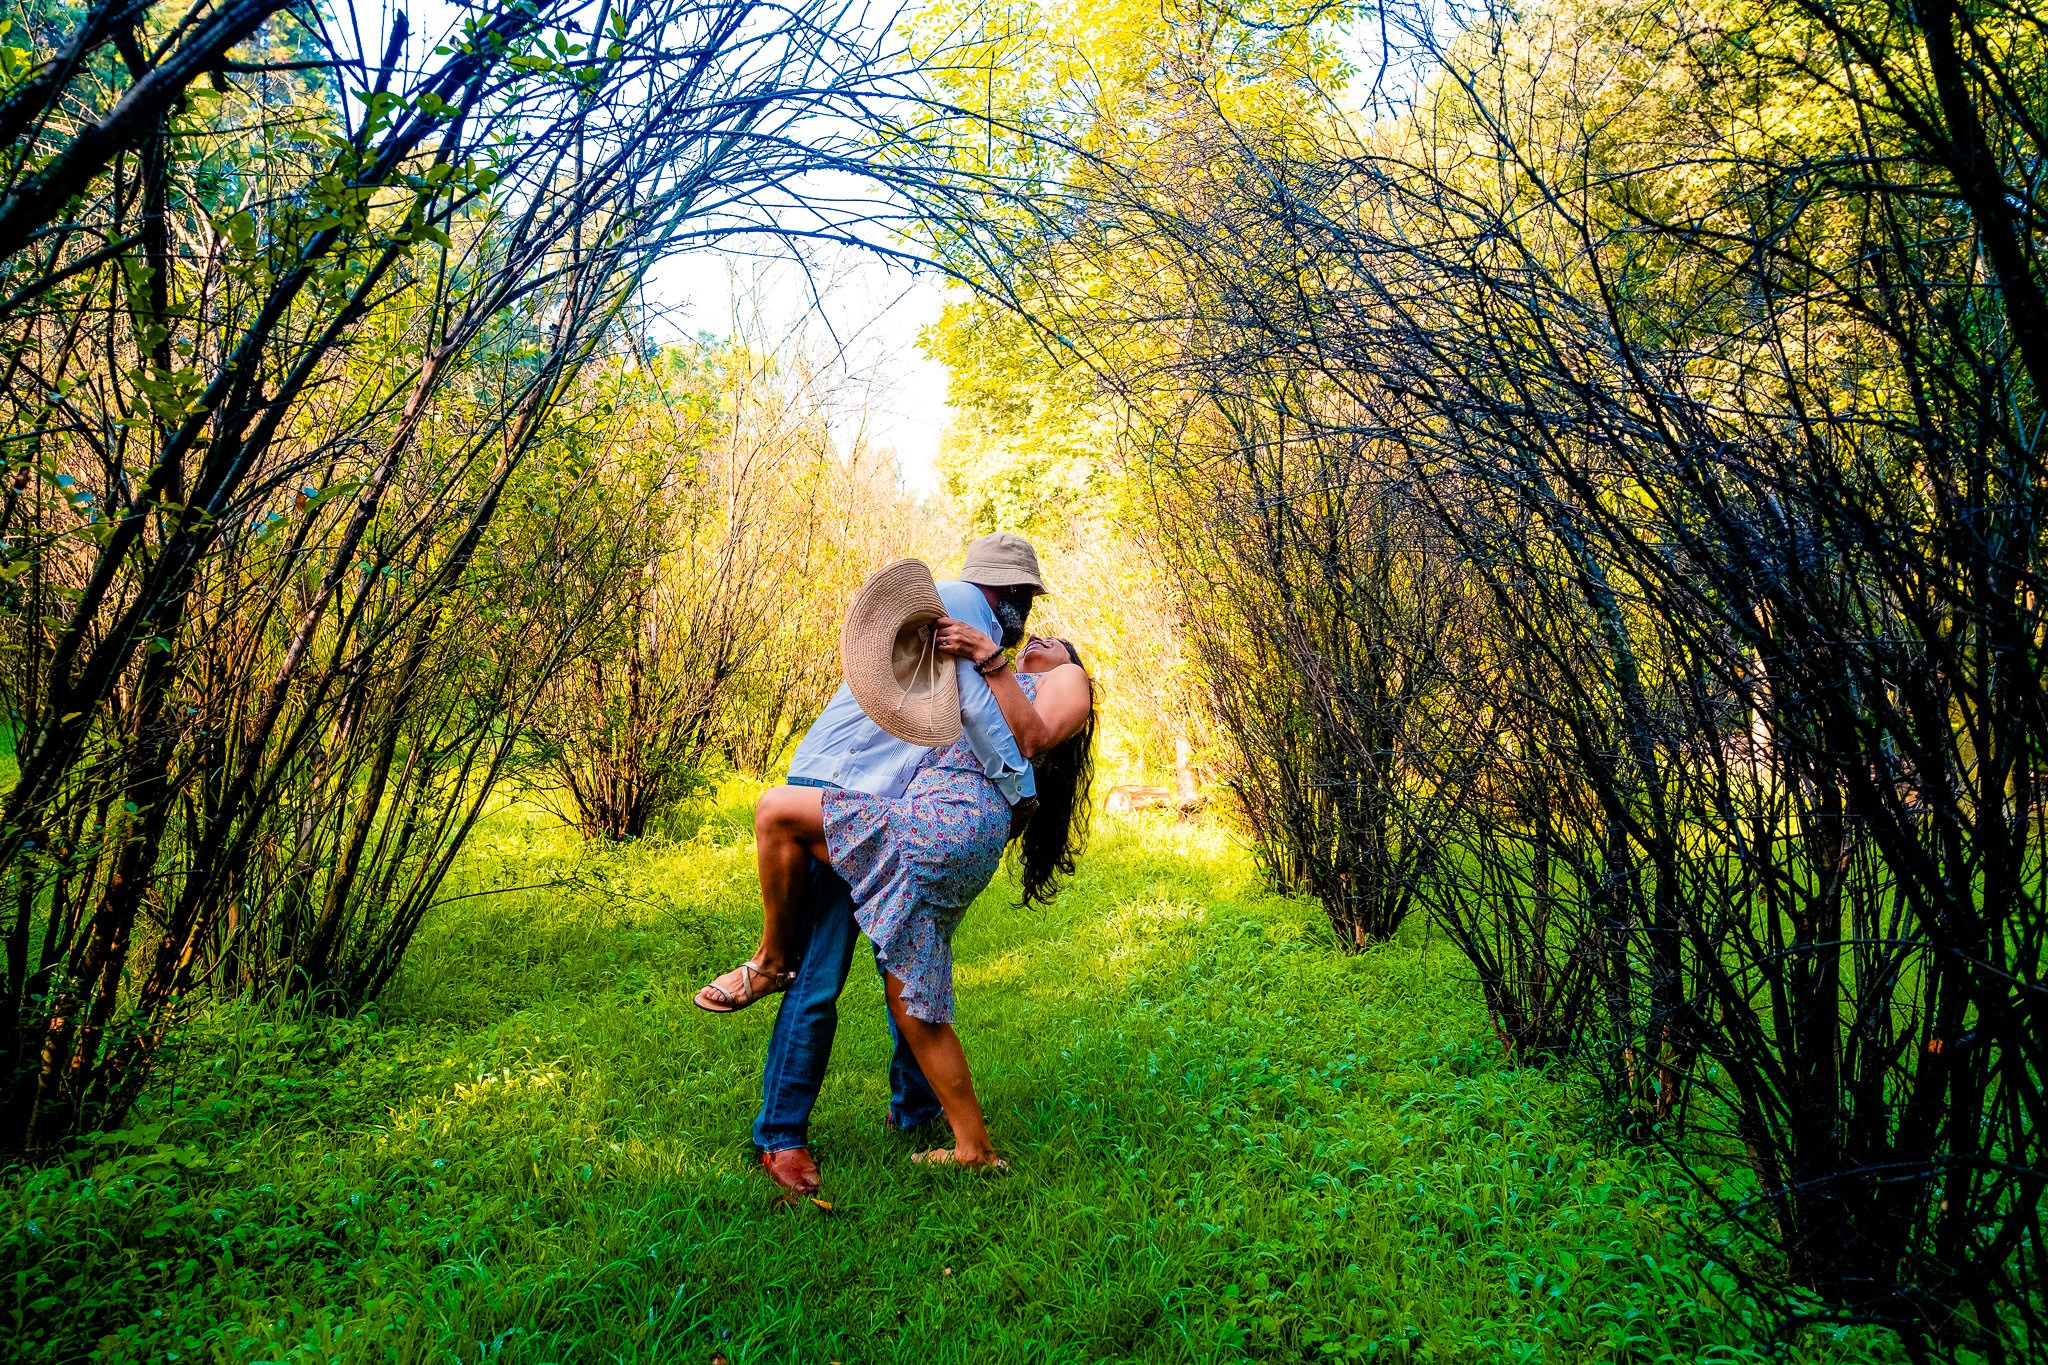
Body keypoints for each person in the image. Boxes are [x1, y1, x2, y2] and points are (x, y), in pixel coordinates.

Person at [695, 534, 1060, 1194]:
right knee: (818, 974)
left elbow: (962, 715)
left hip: (869, 789)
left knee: (905, 952)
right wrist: (1020, 790)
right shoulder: (967, 613)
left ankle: (916, 1110)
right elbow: (995, 722)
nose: (1027, 616)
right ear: (1010, 596)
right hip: (843, 786)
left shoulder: (959, 615)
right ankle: (782, 1136)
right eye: (1027, 600)